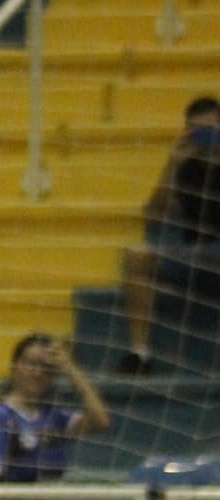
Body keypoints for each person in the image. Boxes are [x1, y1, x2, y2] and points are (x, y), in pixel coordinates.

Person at [116, 96, 220, 375]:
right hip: (188, 256)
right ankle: (140, 354)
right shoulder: (183, 167)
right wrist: (172, 164)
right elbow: (156, 213)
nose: (206, 138)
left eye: (212, 130)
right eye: (198, 131)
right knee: (137, 255)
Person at [0, 334, 110, 500]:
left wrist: (69, 367)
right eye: (31, 364)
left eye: (45, 367)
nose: (38, 373)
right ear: (14, 368)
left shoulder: (53, 415)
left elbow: (100, 421)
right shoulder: (1, 417)